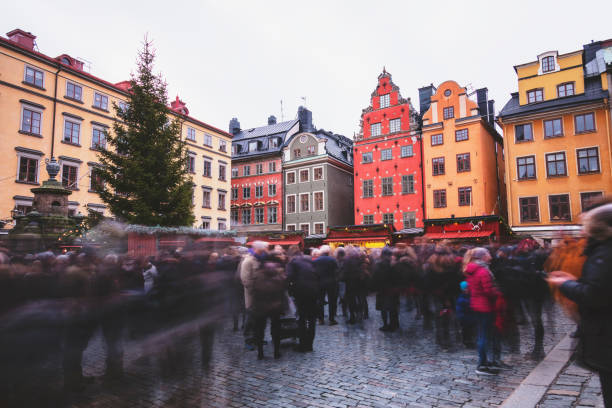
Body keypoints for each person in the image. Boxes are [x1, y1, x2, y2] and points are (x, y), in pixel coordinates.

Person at [548, 203, 612, 407]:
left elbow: (596, 294)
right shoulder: (601, 250)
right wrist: (574, 282)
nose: (582, 228)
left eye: (585, 223)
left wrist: (566, 284)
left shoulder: (603, 252)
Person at [463, 247, 502, 375]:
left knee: (482, 335)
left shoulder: (472, 269)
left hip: (476, 305)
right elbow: (488, 291)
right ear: (482, 257)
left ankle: (485, 362)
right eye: (488, 254)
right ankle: (482, 365)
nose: (490, 255)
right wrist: (498, 293)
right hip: (485, 306)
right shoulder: (483, 271)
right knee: (484, 336)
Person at [286, 246, 320, 352]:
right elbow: (317, 274)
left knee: (302, 318)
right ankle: (310, 344)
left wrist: (290, 290)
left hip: (301, 292)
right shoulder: (309, 259)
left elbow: (289, 277)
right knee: (312, 319)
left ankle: (302, 345)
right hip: (314, 291)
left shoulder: (292, 262)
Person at [314, 245, 339, 325]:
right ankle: (331, 319)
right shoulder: (332, 260)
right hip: (331, 282)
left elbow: (314, 272)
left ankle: (320, 319)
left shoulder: (316, 261)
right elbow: (337, 271)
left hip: (320, 283)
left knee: (320, 301)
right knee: (332, 301)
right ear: (328, 252)